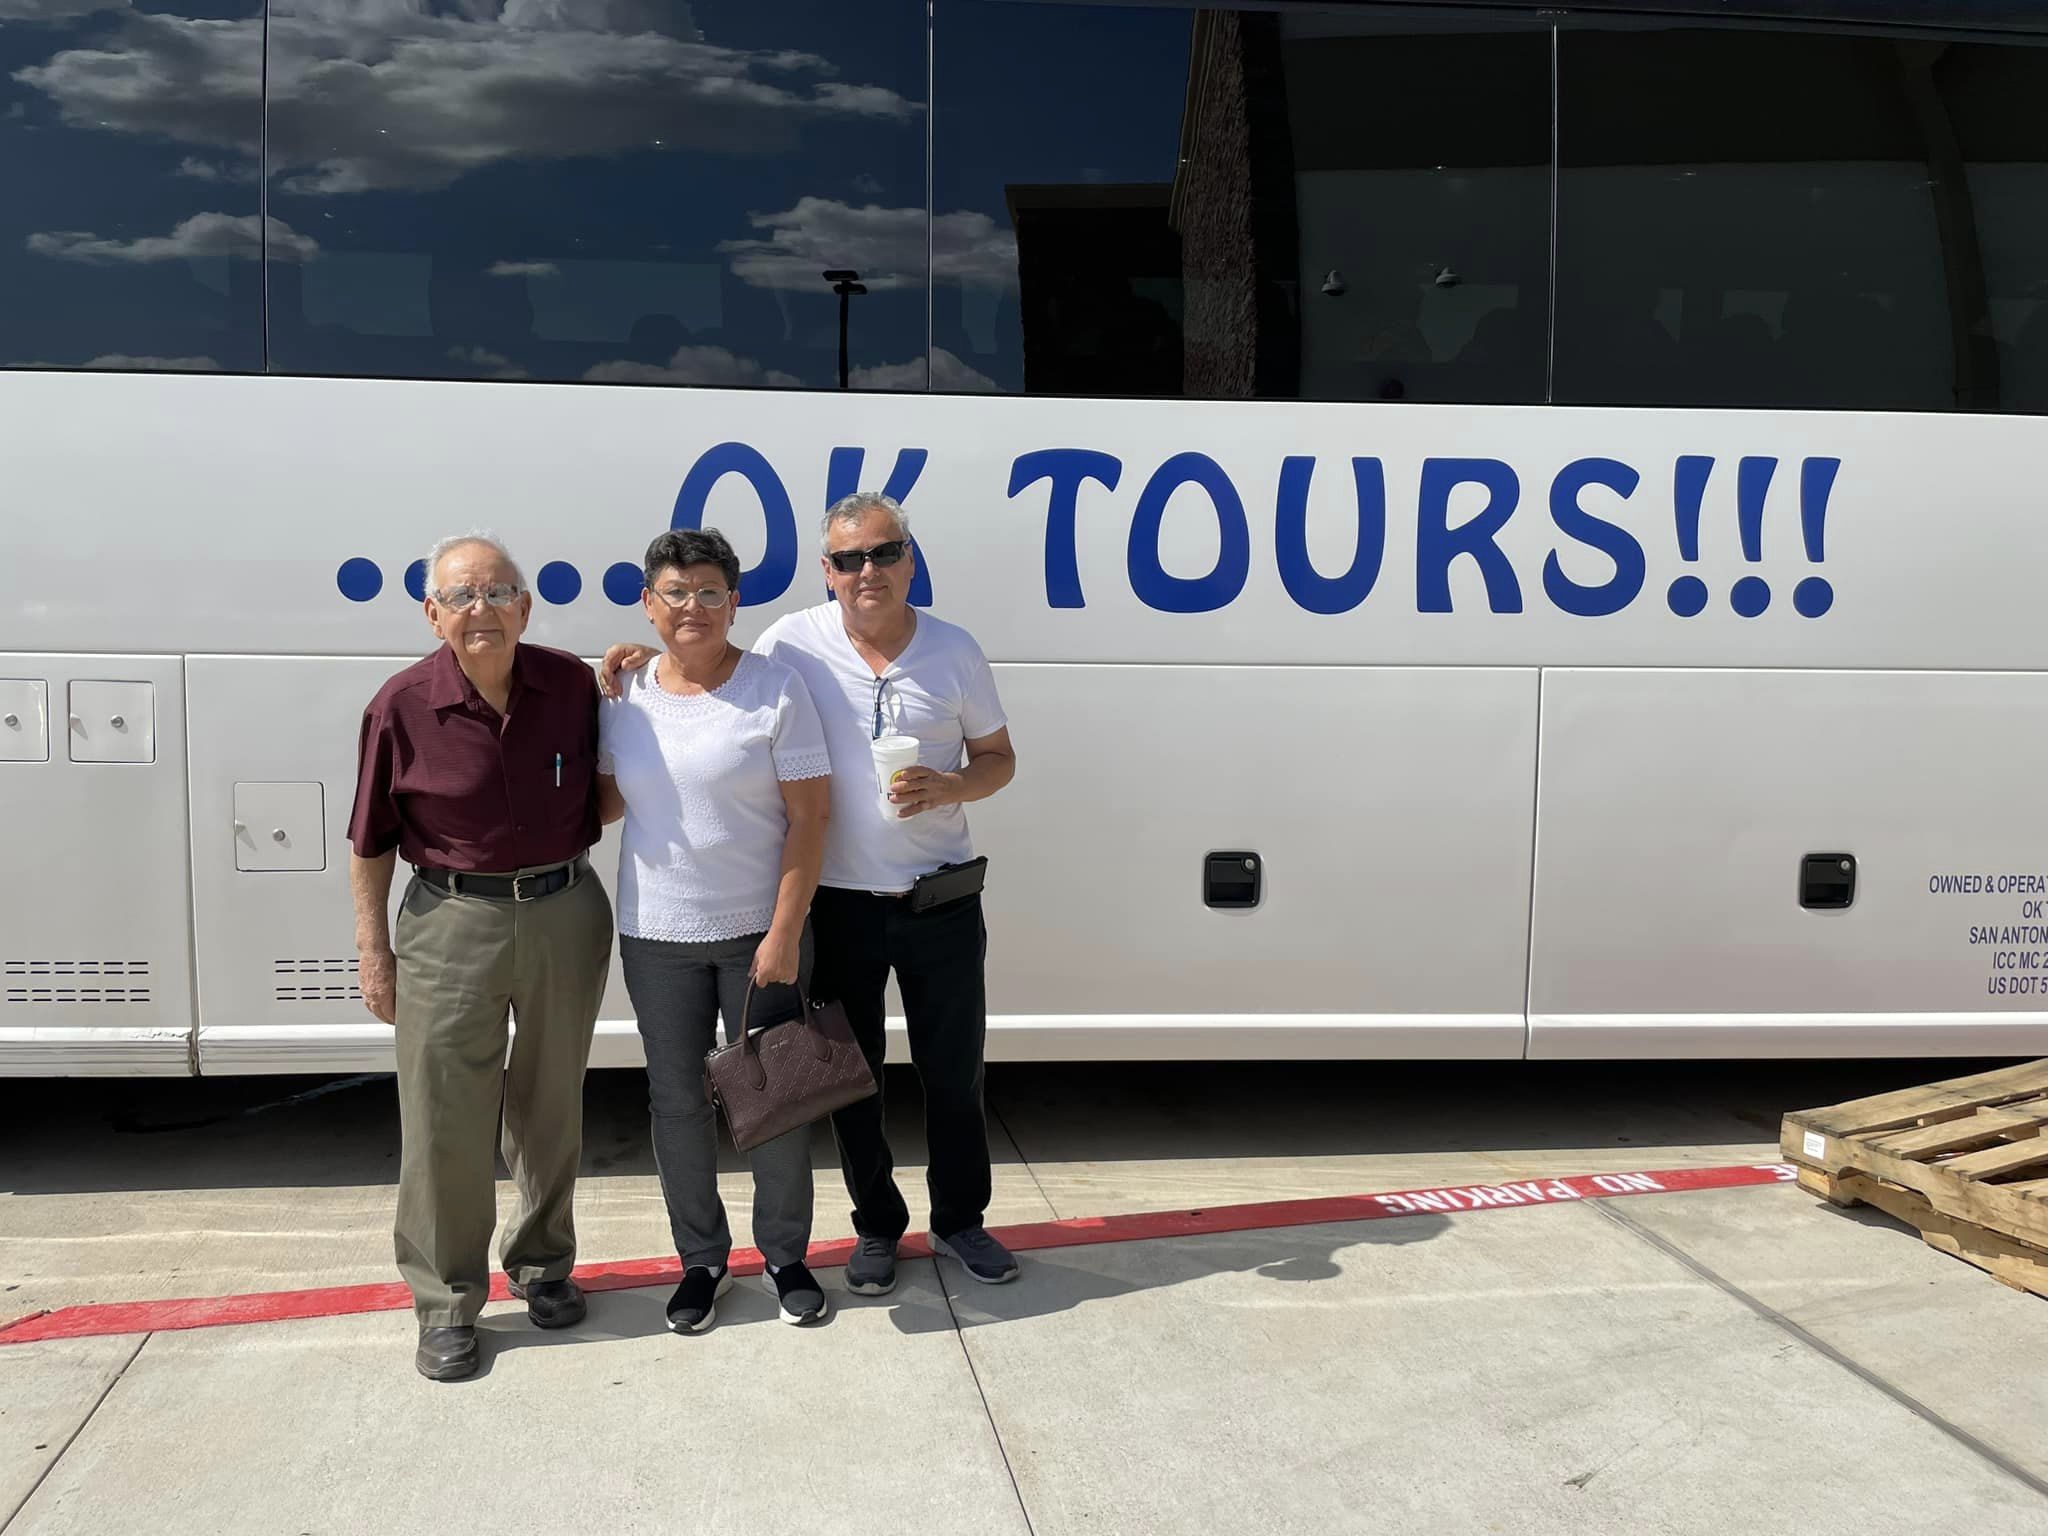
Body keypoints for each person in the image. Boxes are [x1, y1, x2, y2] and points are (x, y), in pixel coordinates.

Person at [606, 492, 1019, 1293]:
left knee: (953, 1072)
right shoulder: (790, 642)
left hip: (939, 900)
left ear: (910, 557)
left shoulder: (955, 650)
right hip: (837, 903)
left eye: (885, 552)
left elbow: (1000, 757)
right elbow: (705, 666)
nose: (869, 571)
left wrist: (954, 787)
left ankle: (962, 1221)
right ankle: (876, 1228)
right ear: (827, 572)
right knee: (849, 1079)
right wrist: (628, 656)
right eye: (850, 559)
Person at [348, 532, 612, 1382]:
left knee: (550, 1102)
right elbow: (369, 841)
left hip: (565, 910)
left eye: (498, 594)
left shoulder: (572, 684)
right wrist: (374, 951)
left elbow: (622, 769)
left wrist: (643, 669)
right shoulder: (400, 705)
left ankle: (542, 1266)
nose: (481, 611)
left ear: (525, 608)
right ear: (432, 614)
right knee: (442, 1116)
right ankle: (447, 1303)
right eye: (461, 597)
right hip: (450, 920)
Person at [597, 528, 834, 1330]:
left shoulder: (775, 689)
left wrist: (785, 932)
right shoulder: (622, 694)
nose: (691, 606)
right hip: (656, 936)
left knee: (774, 1102)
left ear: (733, 602)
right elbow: (602, 804)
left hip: (755, 935)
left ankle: (785, 1256)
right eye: (675, 592)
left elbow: (810, 822)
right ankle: (701, 1260)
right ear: (647, 604)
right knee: (677, 1103)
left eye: (708, 592)